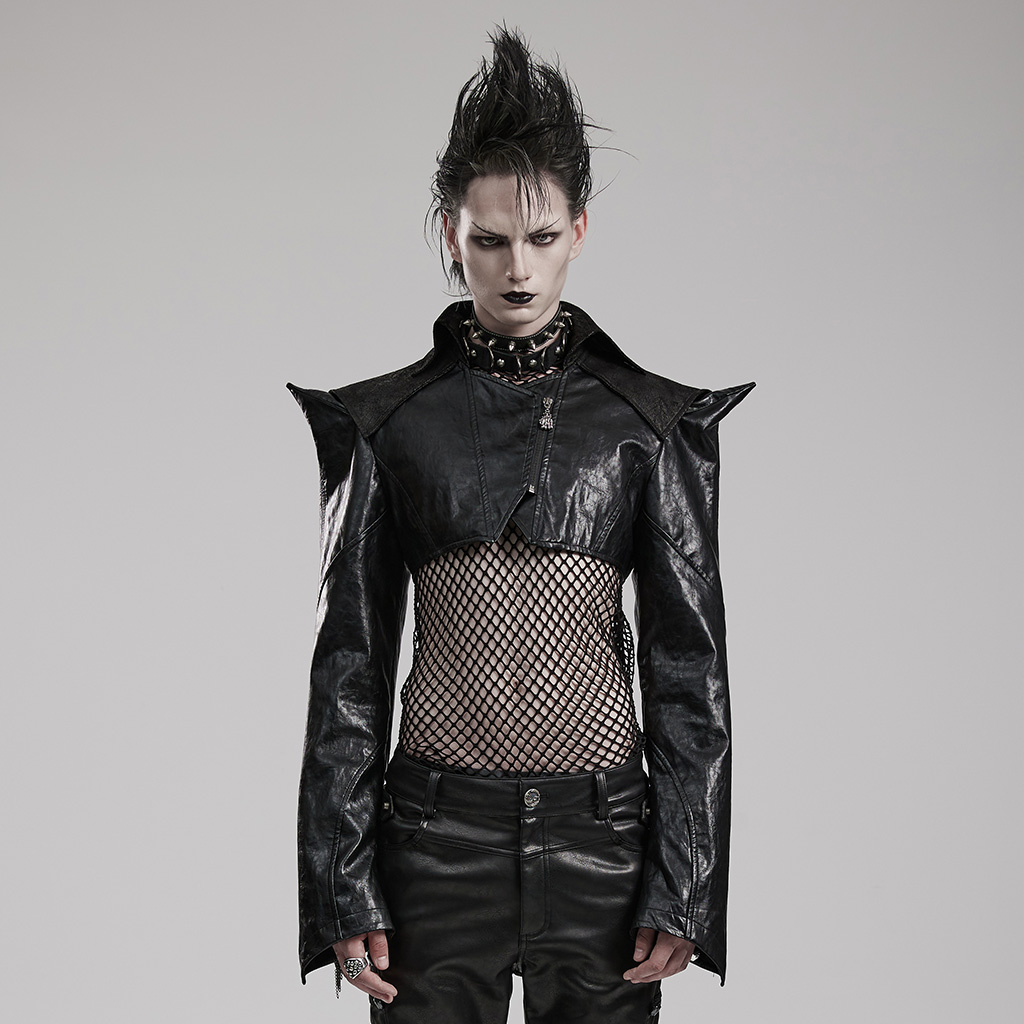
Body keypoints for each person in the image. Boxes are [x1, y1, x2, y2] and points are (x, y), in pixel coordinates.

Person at [286, 26, 754, 1024]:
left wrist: (686, 881)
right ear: (449, 233)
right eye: (490, 239)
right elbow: (350, 670)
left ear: (579, 231)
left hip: (603, 848)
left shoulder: (649, 425)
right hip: (433, 845)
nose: (517, 269)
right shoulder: (386, 425)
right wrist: (342, 883)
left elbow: (688, 671)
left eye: (541, 238)